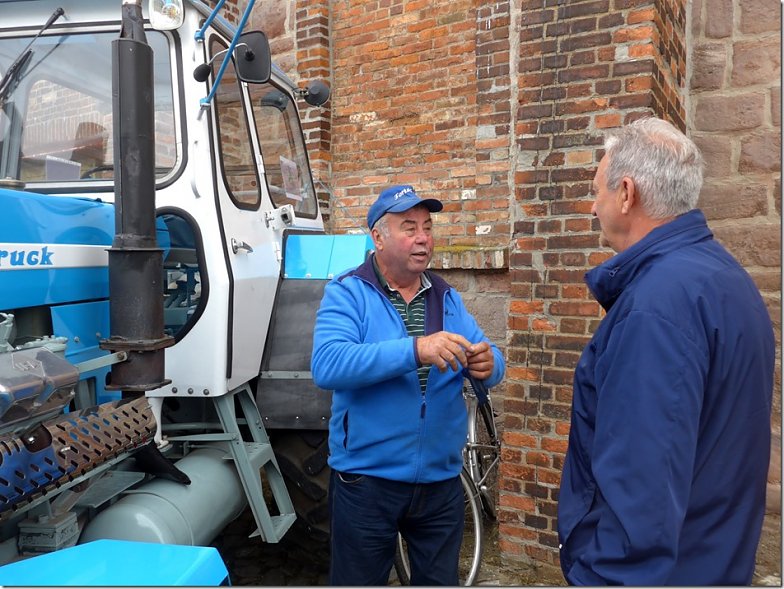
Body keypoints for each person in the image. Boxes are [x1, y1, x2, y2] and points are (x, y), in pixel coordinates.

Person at [557, 116, 775, 585]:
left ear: (627, 193)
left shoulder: (658, 306)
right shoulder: (725, 278)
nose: (593, 206)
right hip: (712, 559)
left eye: (598, 191)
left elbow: (642, 486)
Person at [311, 184, 505, 585]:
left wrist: (490, 363)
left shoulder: (446, 296)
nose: (423, 237)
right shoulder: (348, 292)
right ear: (378, 237)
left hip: (439, 482)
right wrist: (415, 349)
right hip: (367, 482)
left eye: (428, 227)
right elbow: (327, 365)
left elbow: (486, 353)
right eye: (409, 227)